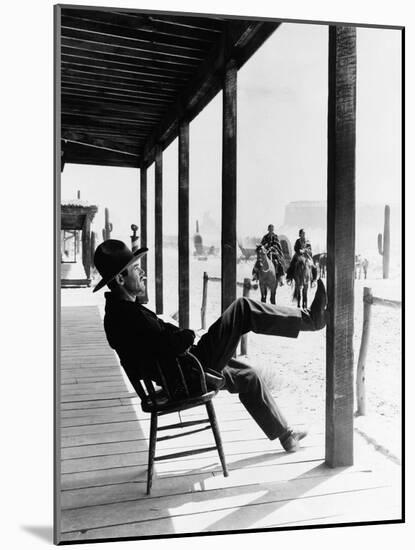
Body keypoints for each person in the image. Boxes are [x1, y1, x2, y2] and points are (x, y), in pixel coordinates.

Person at [93, 240, 328, 453]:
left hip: (181, 372)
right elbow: (169, 343)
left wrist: (181, 336)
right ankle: (311, 319)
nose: (142, 272)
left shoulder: (119, 313)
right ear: (121, 279)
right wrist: (190, 334)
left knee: (248, 375)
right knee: (243, 308)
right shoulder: (128, 316)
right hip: (189, 374)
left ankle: (287, 436)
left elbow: (159, 341)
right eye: (136, 268)